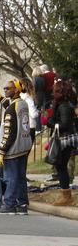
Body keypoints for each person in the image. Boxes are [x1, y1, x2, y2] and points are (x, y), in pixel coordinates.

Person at [0, 79, 33, 215]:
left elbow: (9, 132)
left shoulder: (12, 108)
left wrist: (1, 151)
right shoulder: (23, 104)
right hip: (23, 147)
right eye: (4, 88)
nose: (5, 90)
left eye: (8, 88)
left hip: (12, 149)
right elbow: (14, 112)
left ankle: (10, 204)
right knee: (21, 177)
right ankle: (22, 204)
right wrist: (0, 99)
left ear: (16, 90)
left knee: (11, 178)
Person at [47, 78, 76, 206]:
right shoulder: (63, 104)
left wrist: (49, 122)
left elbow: (64, 124)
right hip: (65, 138)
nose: (53, 93)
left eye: (55, 91)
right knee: (60, 166)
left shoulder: (64, 106)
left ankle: (66, 196)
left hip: (65, 139)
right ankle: (65, 193)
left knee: (61, 166)